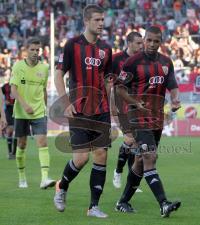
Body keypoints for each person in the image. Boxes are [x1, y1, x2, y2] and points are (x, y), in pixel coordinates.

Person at [114, 26, 181, 218]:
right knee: (150, 157)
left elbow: (173, 85)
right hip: (137, 116)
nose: (152, 44)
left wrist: (175, 99)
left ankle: (123, 202)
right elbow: (119, 89)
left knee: (140, 162)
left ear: (161, 42)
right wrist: (135, 102)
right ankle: (164, 203)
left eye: (156, 41)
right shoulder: (132, 62)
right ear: (144, 40)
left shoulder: (166, 62)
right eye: (148, 40)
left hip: (157, 118)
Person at [53, 4, 112, 218]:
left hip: (101, 110)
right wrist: (65, 102)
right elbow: (59, 75)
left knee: (101, 154)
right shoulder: (72, 45)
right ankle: (62, 186)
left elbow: (107, 79)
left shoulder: (107, 48)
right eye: (97, 20)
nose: (101, 23)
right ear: (86, 21)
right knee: (80, 159)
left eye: (102, 20)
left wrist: (111, 104)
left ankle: (93, 207)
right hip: (78, 109)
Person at [10, 37, 55, 189]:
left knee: (42, 142)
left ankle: (44, 179)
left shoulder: (44, 68)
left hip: (39, 112)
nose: (36, 52)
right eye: (32, 49)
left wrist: (46, 108)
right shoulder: (17, 66)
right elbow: (13, 90)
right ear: (26, 50)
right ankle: (22, 178)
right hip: (21, 112)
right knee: (22, 144)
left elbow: (43, 90)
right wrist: (25, 105)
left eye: (38, 50)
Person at [112, 31, 144, 190]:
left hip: (136, 105)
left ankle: (132, 179)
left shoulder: (143, 60)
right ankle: (118, 171)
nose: (141, 46)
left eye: (141, 43)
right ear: (129, 43)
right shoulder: (116, 59)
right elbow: (109, 81)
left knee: (136, 144)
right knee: (130, 140)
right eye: (138, 43)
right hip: (121, 105)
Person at [2, 81, 17, 159]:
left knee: (16, 132)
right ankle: (10, 152)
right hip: (8, 109)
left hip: (17, 109)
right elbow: (1, 95)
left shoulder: (18, 84)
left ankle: (14, 153)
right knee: (9, 131)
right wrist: (4, 101)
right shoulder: (5, 86)